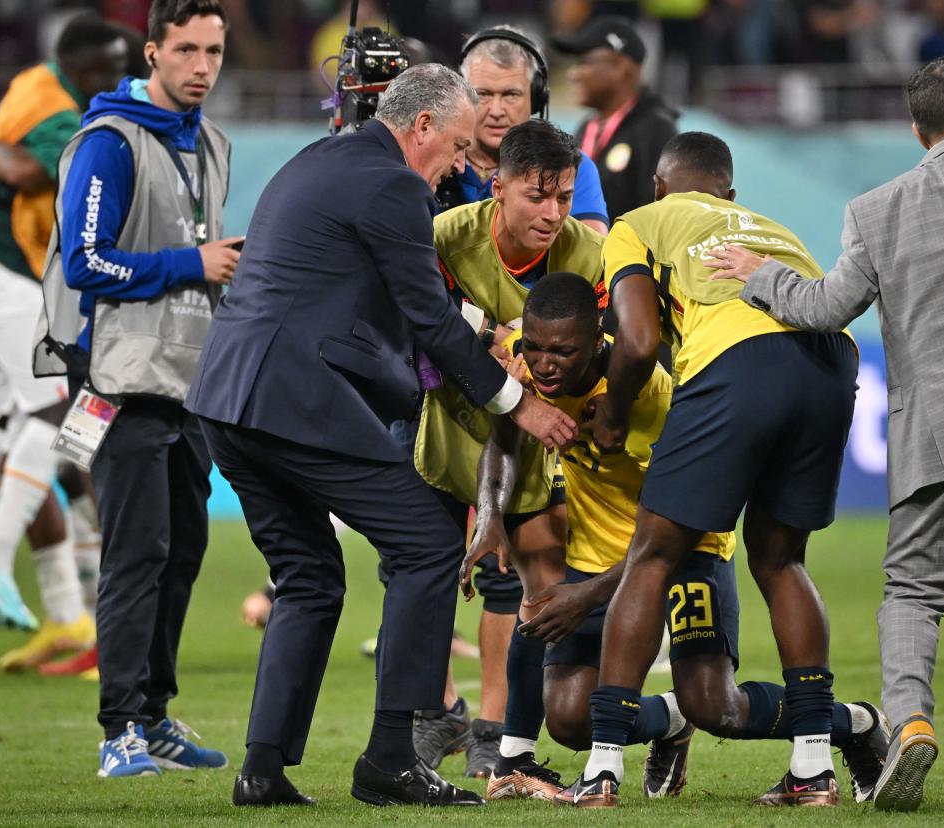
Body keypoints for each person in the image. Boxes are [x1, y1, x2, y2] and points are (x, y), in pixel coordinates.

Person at [186, 63, 577, 807]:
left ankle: (262, 769)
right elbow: (426, 316)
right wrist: (515, 402)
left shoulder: (318, 161)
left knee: (308, 575)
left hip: (226, 399)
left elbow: (373, 303)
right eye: (458, 147)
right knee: (428, 542)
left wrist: (473, 339)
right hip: (290, 398)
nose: (459, 166)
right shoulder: (394, 185)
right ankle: (392, 759)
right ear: (421, 127)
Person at [706, 57, 944, 814]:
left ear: (916, 131)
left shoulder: (876, 208)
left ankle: (910, 719)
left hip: (932, 430)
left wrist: (759, 273)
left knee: (914, 592)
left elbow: (826, 308)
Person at [468, 272, 888, 806]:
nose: (545, 363)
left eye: (563, 351)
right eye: (535, 347)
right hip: (598, 560)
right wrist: (489, 516)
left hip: (690, 550)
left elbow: (695, 521)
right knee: (572, 721)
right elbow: (505, 436)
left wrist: (590, 594)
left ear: (599, 342)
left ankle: (852, 722)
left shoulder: (651, 400)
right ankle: (669, 721)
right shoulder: (527, 368)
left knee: (719, 707)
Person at [571, 131, 860, 807]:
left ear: (659, 187)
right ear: (729, 195)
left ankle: (604, 763)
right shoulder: (770, 227)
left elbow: (638, 340)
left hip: (738, 363)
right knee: (782, 559)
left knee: (652, 556)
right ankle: (814, 767)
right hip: (831, 361)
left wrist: (612, 412)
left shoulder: (639, 223)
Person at [36, 0, 240, 779]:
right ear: (151, 52)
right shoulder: (108, 143)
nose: (201, 67)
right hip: (117, 381)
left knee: (182, 551)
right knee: (135, 553)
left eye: (214, 51)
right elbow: (86, 262)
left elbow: (199, 251)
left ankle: (153, 717)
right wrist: (193, 265)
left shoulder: (210, 143)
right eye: (186, 50)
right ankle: (118, 728)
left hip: (188, 383)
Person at [412, 118, 604, 778]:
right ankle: (423, 720)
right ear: (498, 187)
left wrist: (500, 343)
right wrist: (499, 334)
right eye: (536, 196)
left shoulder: (586, 254)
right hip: (443, 441)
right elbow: (411, 323)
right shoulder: (446, 237)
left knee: (533, 598)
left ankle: (511, 739)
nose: (553, 214)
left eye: (565, 197)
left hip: (532, 452)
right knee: (421, 579)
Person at [0, 13, 127, 666]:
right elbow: (29, 171)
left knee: (30, 427)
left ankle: (66, 612)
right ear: (77, 64)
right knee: (71, 428)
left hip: (48, 288)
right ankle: (7, 572)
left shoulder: (32, 86)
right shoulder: (69, 117)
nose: (117, 76)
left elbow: (9, 160)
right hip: (60, 294)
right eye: (107, 65)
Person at [436, 26, 609, 236]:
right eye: (483, 94)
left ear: (536, 99)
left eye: (511, 95)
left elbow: (591, 257)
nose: (497, 110)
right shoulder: (434, 159)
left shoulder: (570, 166)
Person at [551, 16, 678, 223]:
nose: (574, 74)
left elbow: (658, 219)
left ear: (620, 67)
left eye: (584, 62)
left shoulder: (656, 130)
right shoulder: (587, 127)